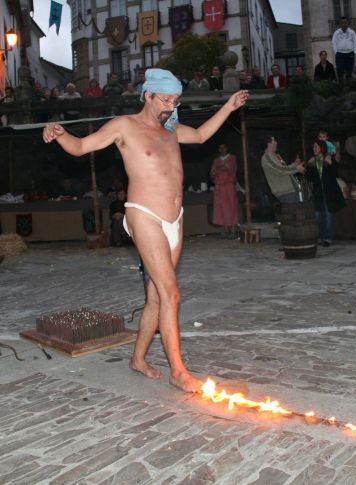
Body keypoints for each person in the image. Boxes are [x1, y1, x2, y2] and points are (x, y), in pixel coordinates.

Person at [43, 68, 249, 392]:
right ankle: (178, 371)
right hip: (144, 215)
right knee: (172, 293)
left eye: (175, 100)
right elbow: (82, 146)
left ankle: (137, 359)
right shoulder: (125, 126)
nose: (170, 104)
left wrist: (229, 106)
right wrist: (59, 134)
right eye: (165, 98)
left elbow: (200, 136)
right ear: (147, 95)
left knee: (156, 297)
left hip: (174, 219)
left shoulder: (171, 130)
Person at [307, 139, 345, 247]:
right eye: (313, 147)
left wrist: (331, 164)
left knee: (329, 215)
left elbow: (334, 174)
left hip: (329, 192)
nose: (314, 149)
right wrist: (309, 166)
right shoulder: (312, 161)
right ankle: (319, 237)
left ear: (322, 148)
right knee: (318, 215)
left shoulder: (329, 159)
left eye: (316, 147)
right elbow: (309, 178)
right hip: (318, 192)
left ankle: (327, 238)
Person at [260, 134, 306, 204]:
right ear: (268, 143)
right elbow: (279, 170)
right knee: (291, 213)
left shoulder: (275, 156)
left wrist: (295, 164)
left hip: (291, 190)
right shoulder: (267, 157)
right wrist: (297, 168)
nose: (276, 142)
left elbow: (284, 168)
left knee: (297, 213)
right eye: (274, 140)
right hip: (285, 192)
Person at [210, 143, 239, 238]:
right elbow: (211, 174)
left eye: (223, 147)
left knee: (231, 207)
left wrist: (216, 169)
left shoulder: (232, 158)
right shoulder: (216, 160)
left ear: (227, 148)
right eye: (220, 148)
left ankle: (234, 230)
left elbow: (227, 167)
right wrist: (218, 169)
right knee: (221, 208)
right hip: (219, 187)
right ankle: (225, 230)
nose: (221, 149)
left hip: (229, 185)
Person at [332, 16, 356, 81]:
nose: (344, 24)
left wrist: (354, 52)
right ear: (340, 24)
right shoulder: (336, 33)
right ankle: (341, 88)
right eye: (342, 23)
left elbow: (355, 43)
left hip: (350, 54)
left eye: (345, 22)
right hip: (340, 54)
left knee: (349, 72)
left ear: (348, 23)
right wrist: (336, 52)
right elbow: (334, 43)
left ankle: (349, 87)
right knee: (340, 72)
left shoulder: (352, 32)